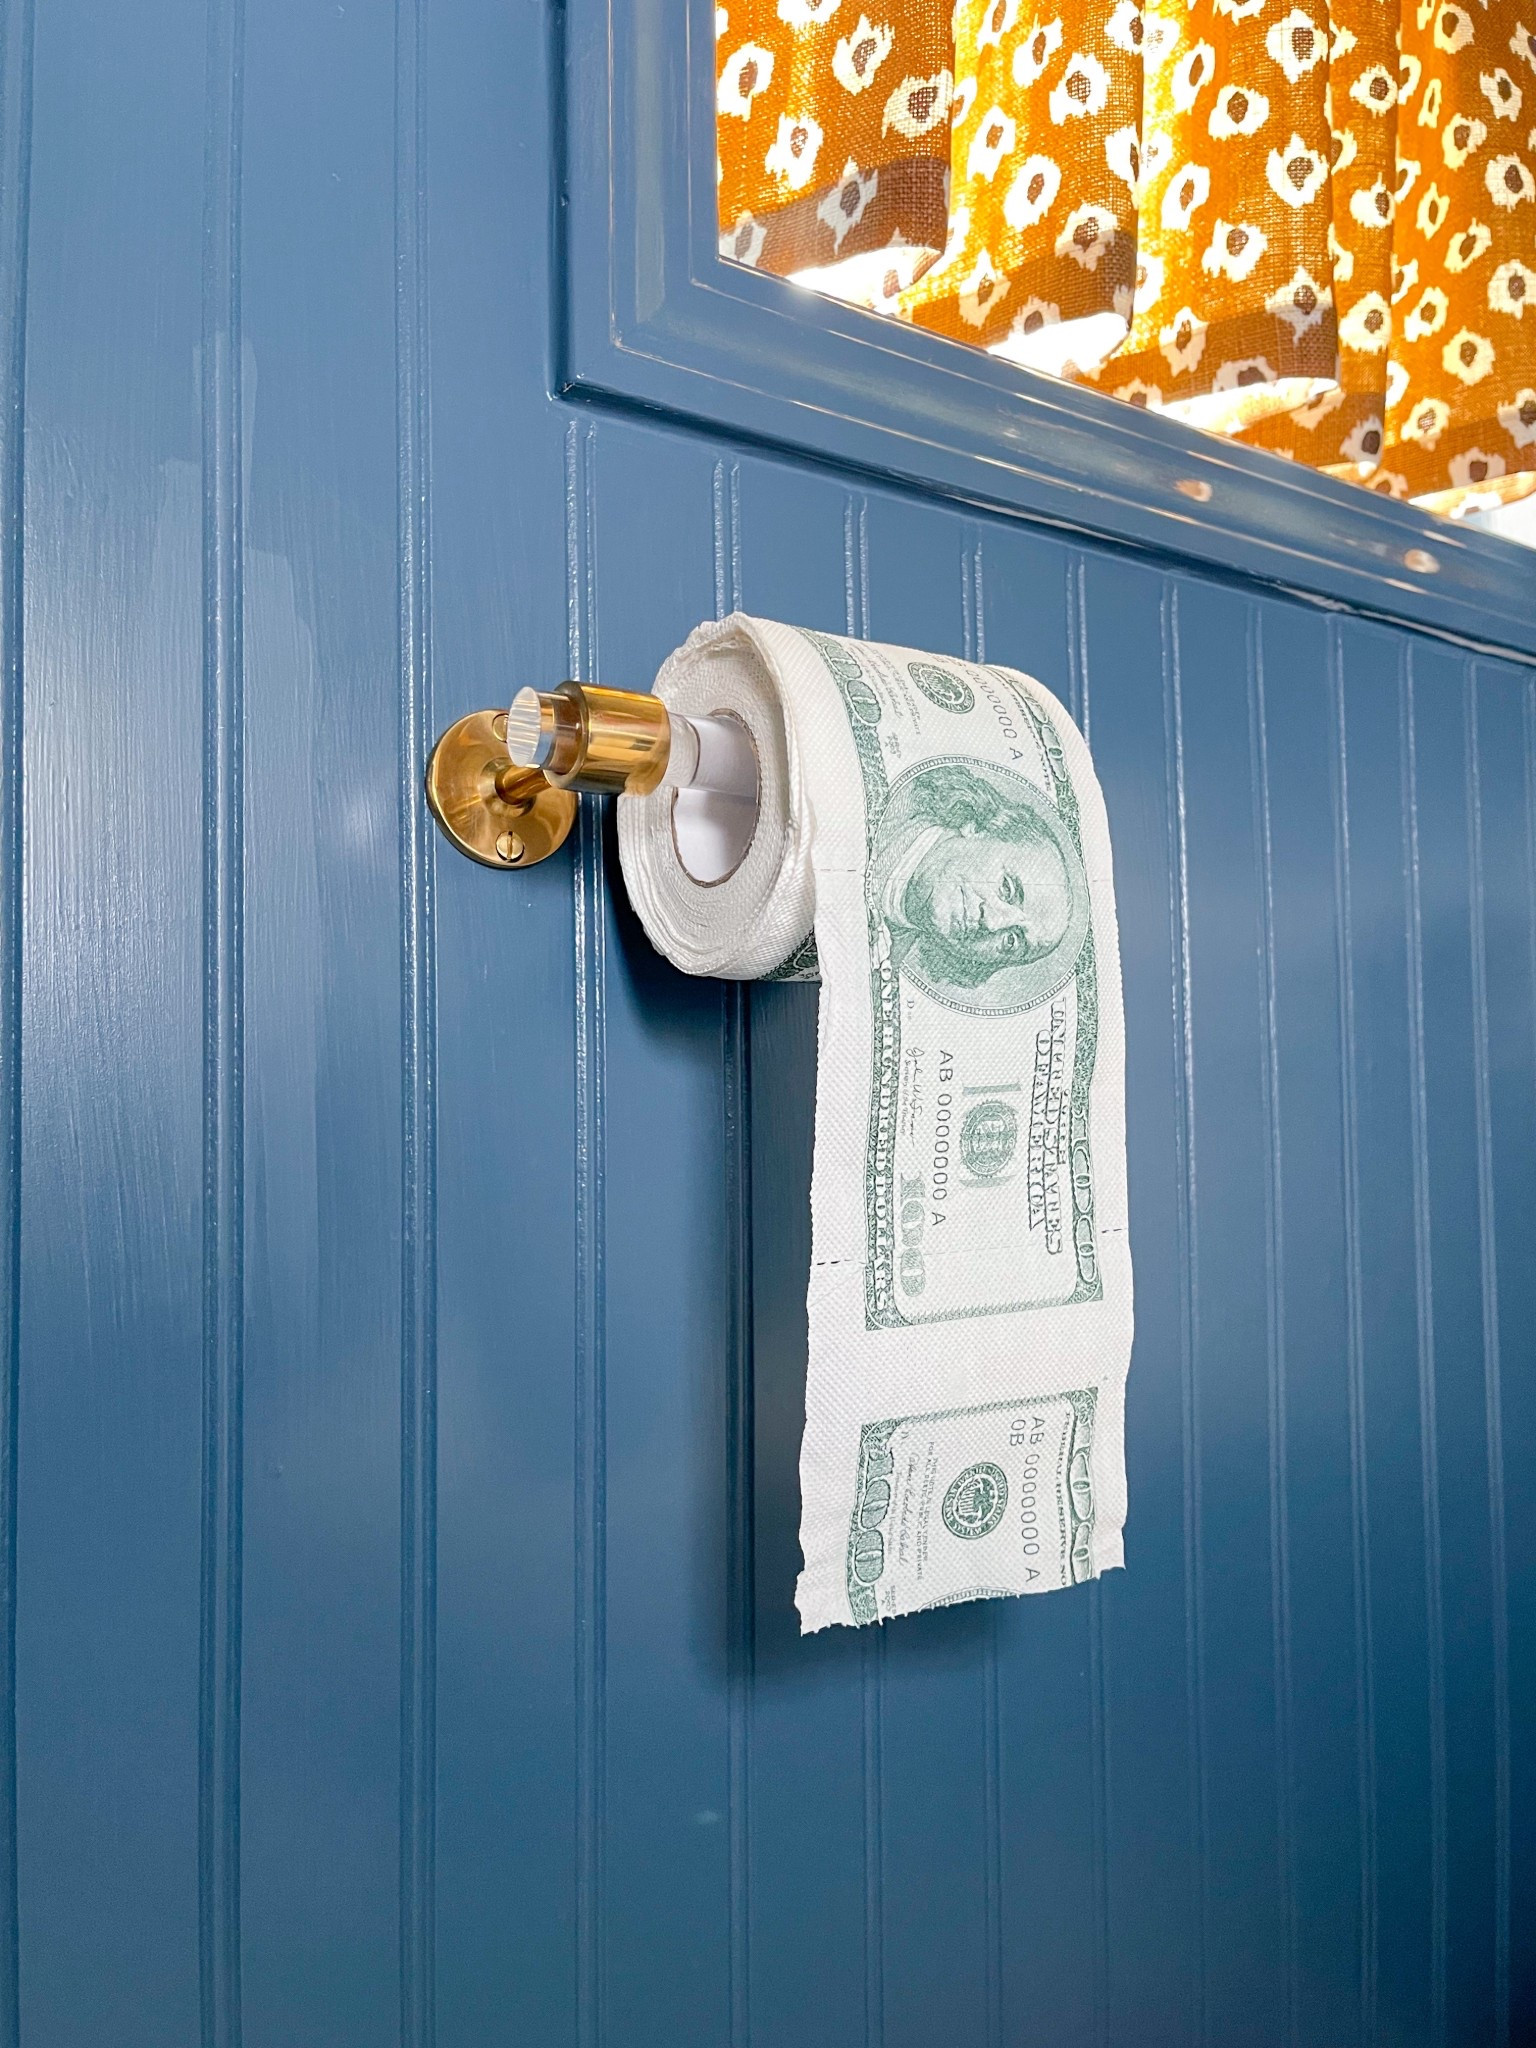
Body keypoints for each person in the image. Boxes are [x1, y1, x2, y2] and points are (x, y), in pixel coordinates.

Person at [874, 761, 1079, 997]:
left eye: (1012, 940)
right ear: (976, 827)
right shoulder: (885, 799)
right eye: (1007, 889)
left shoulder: (877, 975)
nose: (992, 923)